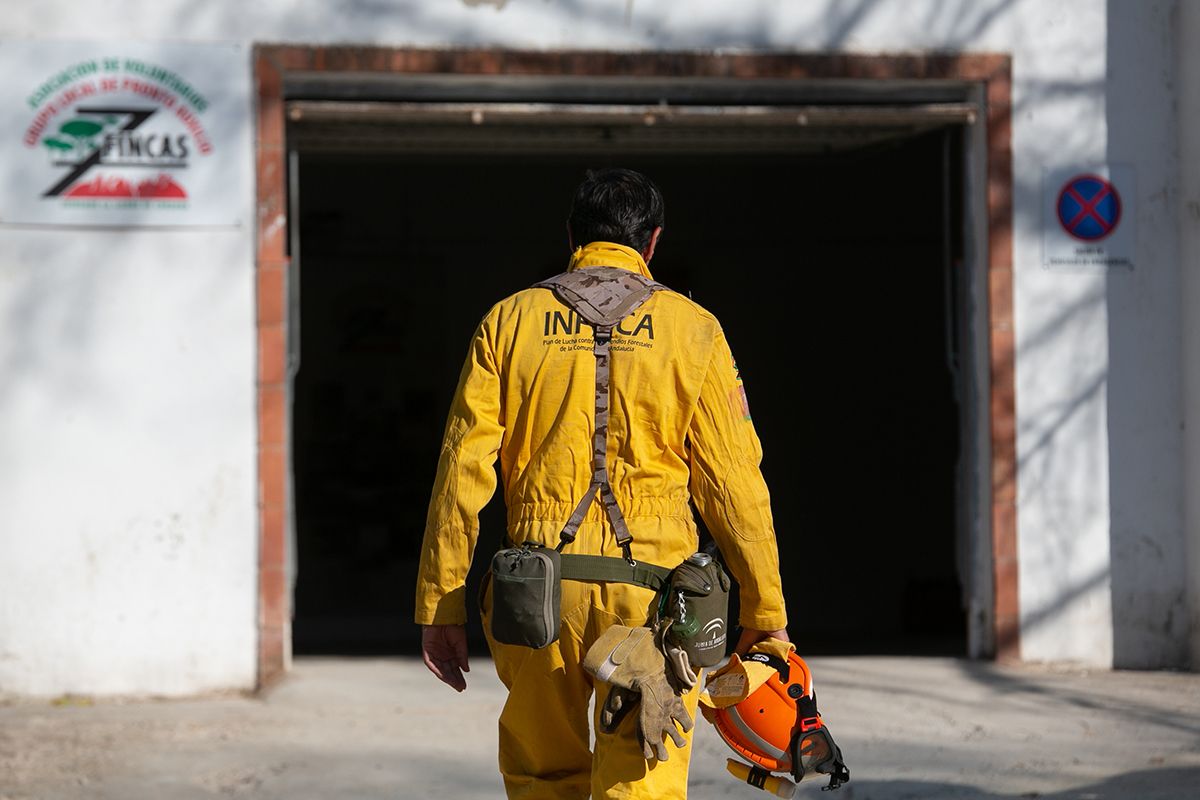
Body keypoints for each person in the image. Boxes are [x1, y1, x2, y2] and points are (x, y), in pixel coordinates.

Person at [415, 168, 788, 799]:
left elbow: (460, 474)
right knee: (640, 783)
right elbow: (735, 484)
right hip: (655, 605)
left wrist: (440, 603)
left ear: (572, 235)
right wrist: (765, 609)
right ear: (653, 242)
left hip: (534, 597)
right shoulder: (694, 330)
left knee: (542, 779)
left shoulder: (508, 322)